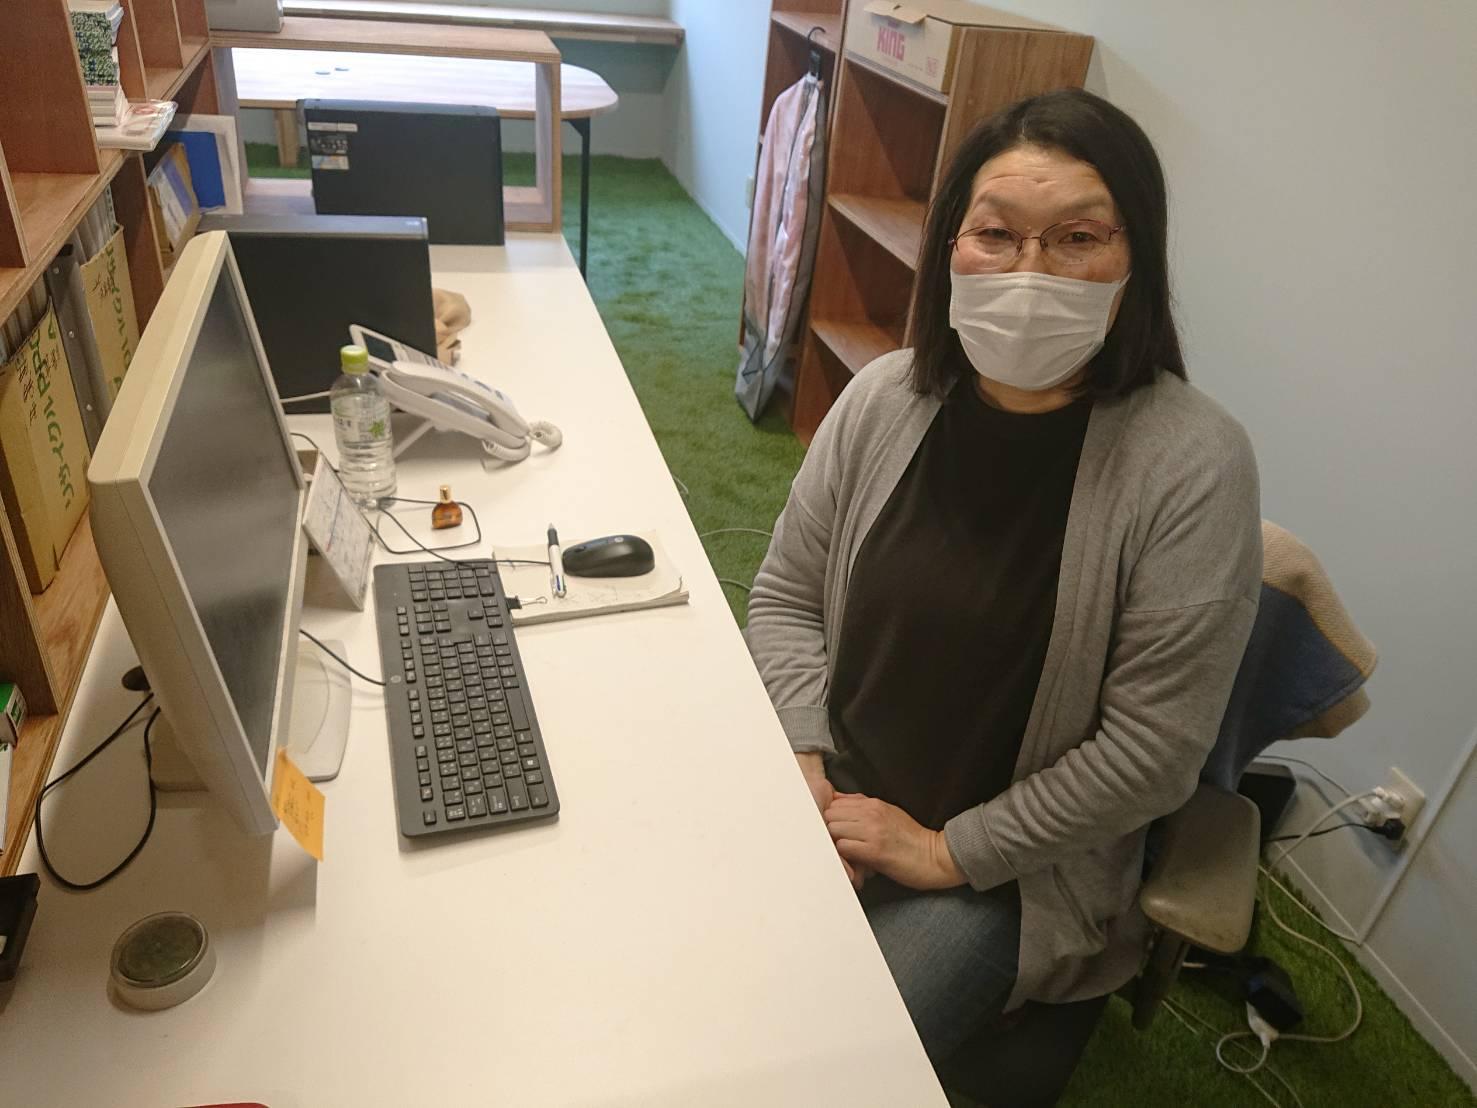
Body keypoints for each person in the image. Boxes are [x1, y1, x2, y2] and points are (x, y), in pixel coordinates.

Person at [745, 88, 1263, 1066]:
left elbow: (1150, 752)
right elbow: (784, 597)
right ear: (952, 245)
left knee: (817, 1062)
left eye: (1077, 238)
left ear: (1135, 260)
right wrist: (807, 767)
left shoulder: (1193, 463)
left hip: (1006, 871)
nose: (1030, 271)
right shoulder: (882, 399)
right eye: (996, 233)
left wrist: (945, 851)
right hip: (828, 790)